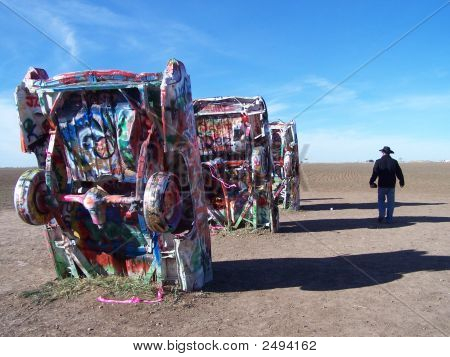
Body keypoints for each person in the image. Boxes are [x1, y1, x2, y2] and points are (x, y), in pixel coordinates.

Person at [369, 146, 405, 223]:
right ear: (389, 153)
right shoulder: (394, 162)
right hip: (391, 185)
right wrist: (401, 181)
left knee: (381, 201)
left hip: (382, 185)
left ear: (383, 152)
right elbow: (399, 173)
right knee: (391, 203)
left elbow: (374, 173)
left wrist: (371, 182)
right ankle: (389, 219)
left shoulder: (378, 161)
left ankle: (381, 215)